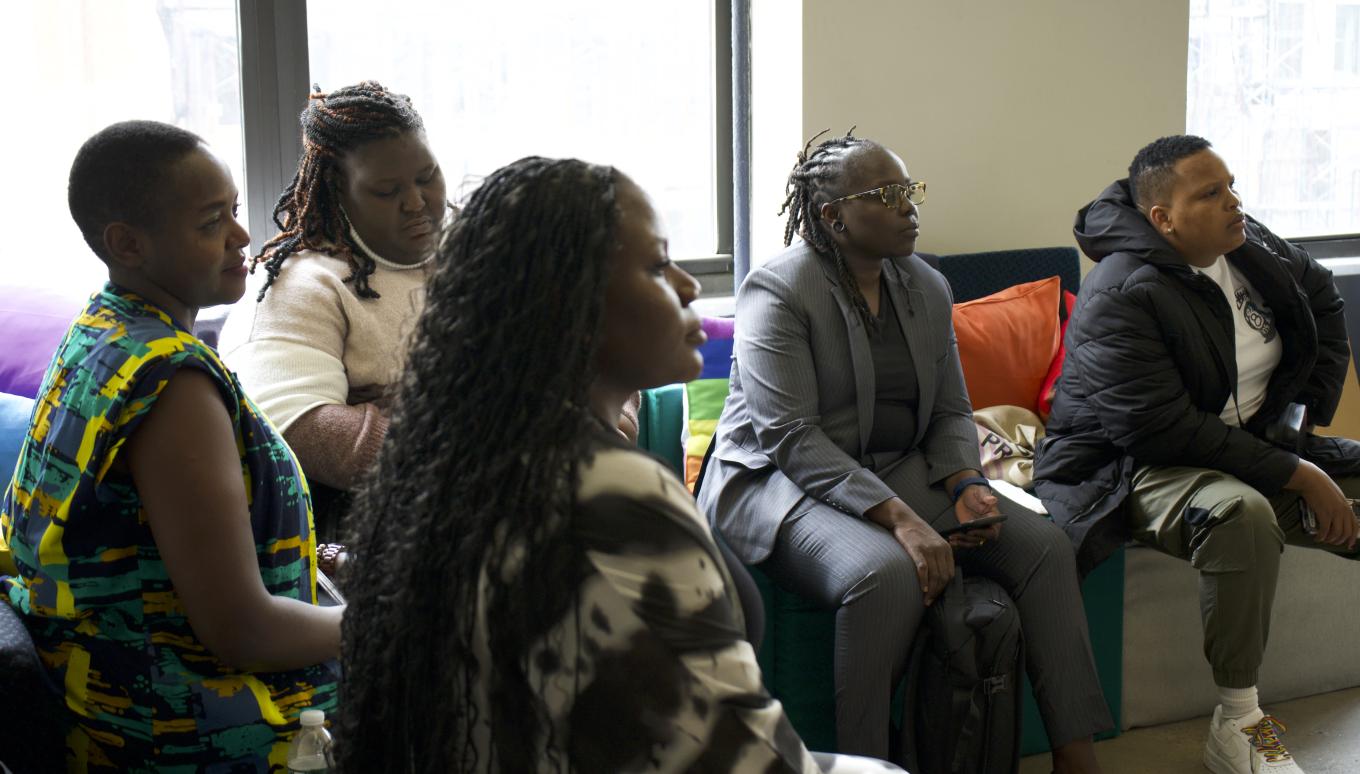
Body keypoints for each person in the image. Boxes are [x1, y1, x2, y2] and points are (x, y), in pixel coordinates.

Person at [335, 156, 900, 773]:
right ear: (571, 307)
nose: (688, 286)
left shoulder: (472, 463)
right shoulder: (606, 490)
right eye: (658, 265)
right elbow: (752, 759)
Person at [696, 131, 1112, 771]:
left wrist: (966, 482)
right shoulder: (778, 291)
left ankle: (1077, 757)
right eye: (886, 195)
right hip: (780, 482)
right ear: (833, 217)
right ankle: (864, 765)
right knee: (883, 574)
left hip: (892, 468)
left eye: (908, 191)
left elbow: (949, 408)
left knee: (1044, 547)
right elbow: (790, 436)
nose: (909, 207)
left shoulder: (925, 284)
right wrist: (903, 520)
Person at [0, 121, 340, 771]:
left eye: (235, 211)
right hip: (177, 727)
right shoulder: (171, 386)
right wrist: (395, 620)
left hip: (97, 687)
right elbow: (243, 631)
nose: (241, 236)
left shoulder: (100, 330)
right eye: (213, 221)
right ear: (127, 244)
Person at [1035, 134, 1360, 774]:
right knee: (1241, 514)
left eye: (1232, 185)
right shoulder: (1122, 291)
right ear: (1164, 218)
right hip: (1130, 466)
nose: (1234, 202)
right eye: (1211, 194)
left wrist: (1300, 424)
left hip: (1250, 444)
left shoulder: (1245, 243)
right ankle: (1238, 721)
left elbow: (1320, 294)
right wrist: (1300, 475)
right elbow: (1160, 430)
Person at [218, 80, 447, 538]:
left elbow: (580, 338)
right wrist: (473, 442)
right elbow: (291, 426)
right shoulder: (297, 283)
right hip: (381, 523)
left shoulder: (475, 244)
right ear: (338, 194)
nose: (416, 202)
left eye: (426, 177)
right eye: (387, 190)